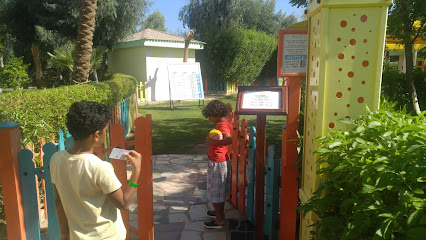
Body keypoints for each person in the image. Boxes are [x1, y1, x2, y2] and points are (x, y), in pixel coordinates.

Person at [50, 100, 141, 239]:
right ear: (97, 135)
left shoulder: (56, 159)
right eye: (106, 130)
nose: (106, 133)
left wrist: (64, 234)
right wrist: (136, 172)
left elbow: (58, 202)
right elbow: (124, 203)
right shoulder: (100, 167)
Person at [201, 100, 233, 229]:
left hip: (217, 162)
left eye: (209, 115)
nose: (209, 118)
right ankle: (218, 213)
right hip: (221, 161)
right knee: (219, 190)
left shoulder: (221, 125)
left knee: (215, 192)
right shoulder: (226, 122)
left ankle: (219, 221)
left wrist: (212, 143)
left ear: (215, 114)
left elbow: (229, 139)